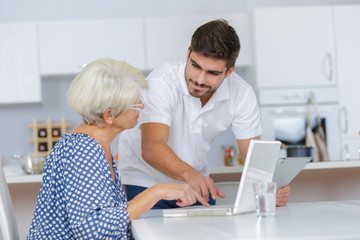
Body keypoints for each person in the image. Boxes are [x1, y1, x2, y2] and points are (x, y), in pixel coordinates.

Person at [117, 19, 291, 209]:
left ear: (229, 71)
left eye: (212, 73)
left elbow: (253, 155)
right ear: (188, 52)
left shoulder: (242, 93)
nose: (200, 79)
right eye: (196, 65)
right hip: (145, 182)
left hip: (196, 183)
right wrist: (191, 176)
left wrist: (271, 186)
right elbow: (151, 147)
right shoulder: (161, 83)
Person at [27, 59, 208, 239]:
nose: (142, 108)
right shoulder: (83, 151)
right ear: (109, 115)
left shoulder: (93, 145)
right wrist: (157, 191)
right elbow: (94, 230)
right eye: (136, 104)